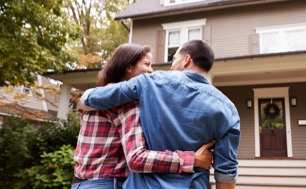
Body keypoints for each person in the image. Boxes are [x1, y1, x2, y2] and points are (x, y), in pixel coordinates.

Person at [80, 40, 240, 189]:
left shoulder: (149, 82)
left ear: (186, 59)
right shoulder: (228, 109)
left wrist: (85, 99)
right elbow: (226, 173)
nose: (171, 66)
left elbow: (92, 98)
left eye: (174, 59)